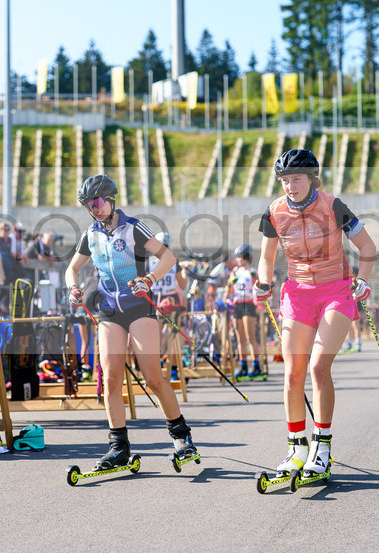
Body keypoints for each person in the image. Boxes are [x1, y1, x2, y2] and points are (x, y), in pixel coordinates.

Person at [254, 149, 376, 481]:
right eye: (284, 180)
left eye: (296, 179)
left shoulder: (334, 206)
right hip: (298, 293)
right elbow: (266, 257)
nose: (289, 186)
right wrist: (264, 282)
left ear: (311, 179)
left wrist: (362, 280)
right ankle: (297, 448)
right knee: (293, 373)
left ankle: (322, 446)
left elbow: (368, 248)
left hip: (336, 289)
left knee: (318, 366)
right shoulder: (274, 212)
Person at [65, 174, 198, 472]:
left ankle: (181, 436)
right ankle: (118, 447)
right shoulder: (91, 233)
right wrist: (72, 288)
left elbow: (167, 257)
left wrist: (149, 279)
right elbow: (72, 269)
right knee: (110, 377)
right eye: (88, 205)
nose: (94, 209)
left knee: (151, 375)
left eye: (97, 202)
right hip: (109, 309)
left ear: (111, 199)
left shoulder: (133, 226)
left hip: (139, 307)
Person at [148, 232, 187, 381]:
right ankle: (174, 371)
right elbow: (183, 285)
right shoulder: (172, 260)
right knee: (174, 337)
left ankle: (158, 372)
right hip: (170, 299)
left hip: (157, 299)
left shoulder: (150, 262)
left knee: (156, 338)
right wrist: (184, 272)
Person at [225, 244, 262, 380]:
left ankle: (256, 364)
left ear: (246, 257)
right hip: (237, 304)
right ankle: (243, 365)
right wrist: (230, 283)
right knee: (239, 338)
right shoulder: (234, 272)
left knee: (250, 336)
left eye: (240, 256)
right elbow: (229, 290)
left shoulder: (252, 271)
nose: (238, 259)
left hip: (249, 304)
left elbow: (258, 286)